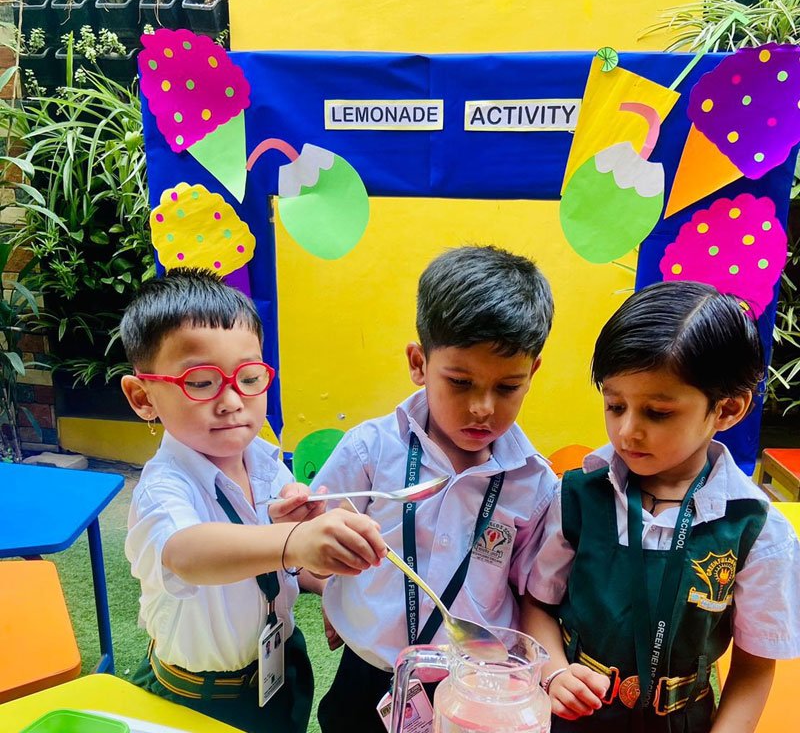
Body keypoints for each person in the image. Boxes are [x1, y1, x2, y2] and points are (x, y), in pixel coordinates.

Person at [524, 281, 800, 733]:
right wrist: (554, 672)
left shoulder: (757, 530)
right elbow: (537, 604)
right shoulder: (575, 496)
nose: (628, 431)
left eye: (657, 412)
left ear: (727, 410)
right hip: (573, 718)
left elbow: (754, 668)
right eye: (615, 405)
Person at [119, 267, 387, 733]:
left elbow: (286, 570)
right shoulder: (163, 486)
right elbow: (188, 553)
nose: (231, 401)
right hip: (198, 696)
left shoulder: (265, 462)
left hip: (280, 670)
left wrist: (330, 579)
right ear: (143, 397)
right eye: (201, 382)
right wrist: (294, 540)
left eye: (248, 377)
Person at [310, 245, 559, 733]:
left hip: (476, 687)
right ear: (419, 363)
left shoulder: (534, 485)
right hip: (370, 675)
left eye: (507, 387)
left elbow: (532, 596)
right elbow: (314, 550)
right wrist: (328, 580)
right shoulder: (370, 451)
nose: (483, 407)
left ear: (532, 374)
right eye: (460, 382)